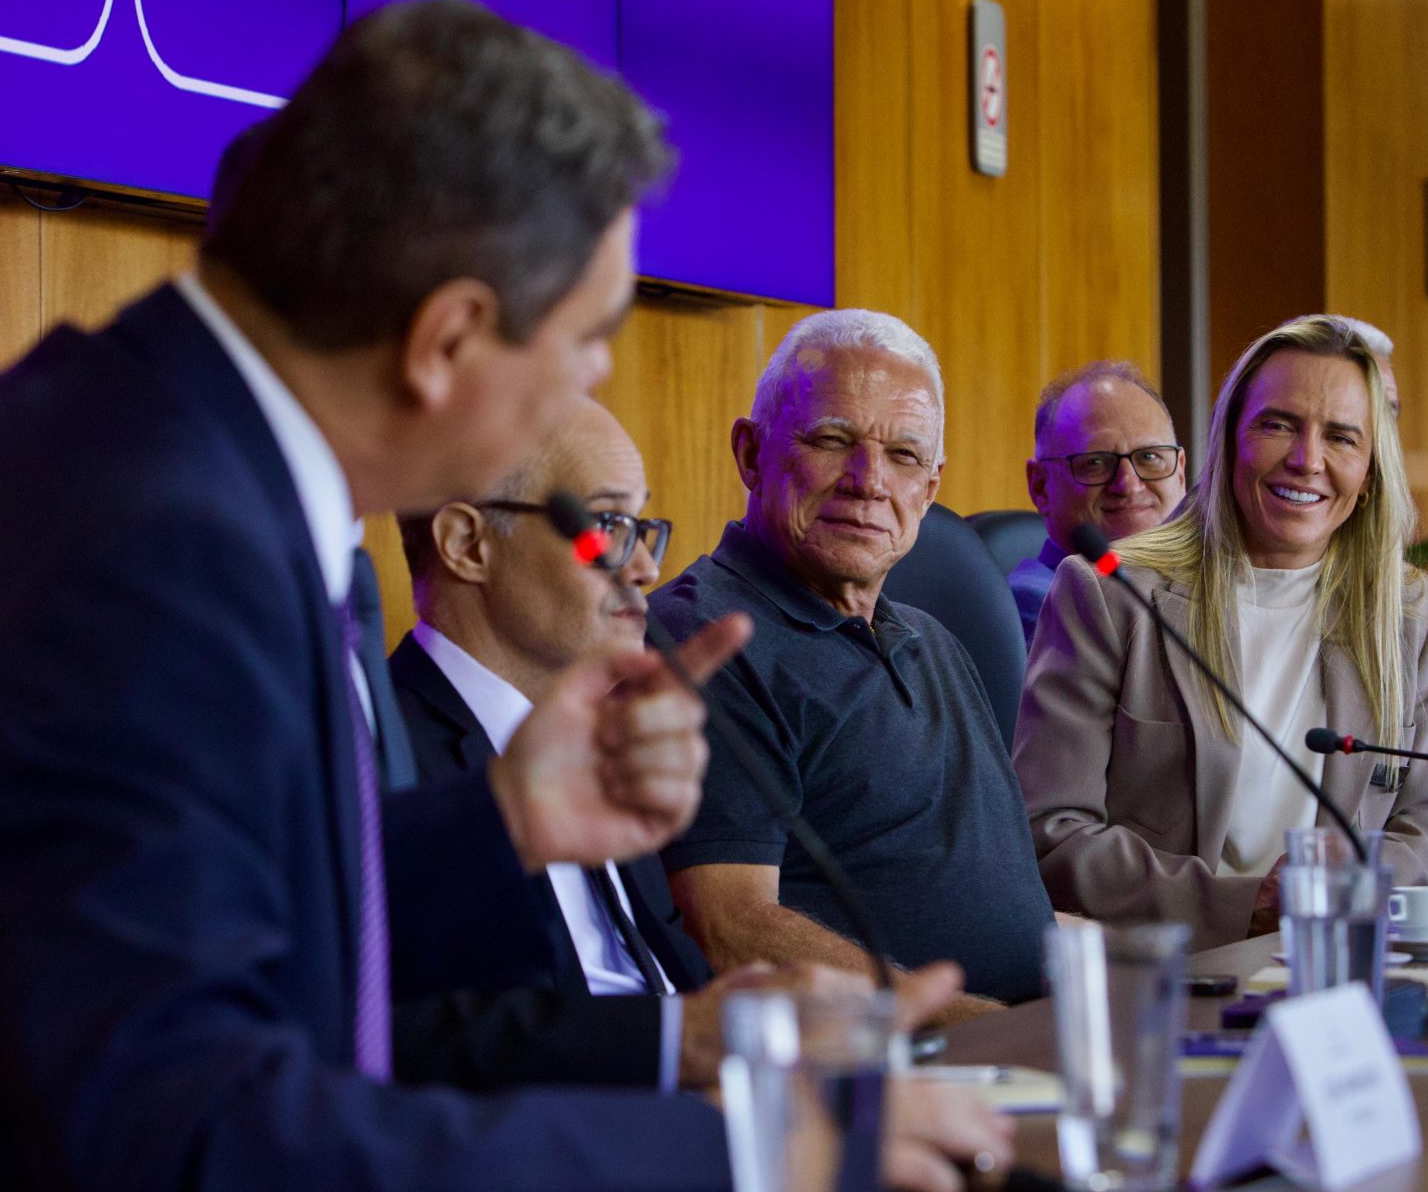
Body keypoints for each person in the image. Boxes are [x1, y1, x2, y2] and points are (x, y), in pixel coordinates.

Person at [0, 1, 1008, 1192]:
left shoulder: (129, 460)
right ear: (447, 338)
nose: (585, 389)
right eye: (582, 344)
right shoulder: (145, 550)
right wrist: (748, 1159)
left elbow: (223, 943)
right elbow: (195, 1148)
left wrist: (497, 828)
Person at [390, 397, 957, 1088]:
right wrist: (690, 1052)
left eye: (642, 530)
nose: (643, 569)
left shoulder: (612, 736)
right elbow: (416, 1048)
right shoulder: (378, 759)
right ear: (468, 544)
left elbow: (674, 985)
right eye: (606, 528)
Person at [1013, 315, 1428, 950]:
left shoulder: (1403, 612)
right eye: (1278, 425)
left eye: (1341, 438)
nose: (1307, 460)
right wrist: (1243, 906)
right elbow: (1049, 832)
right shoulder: (1111, 595)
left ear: (1368, 476)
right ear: (1229, 441)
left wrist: (1362, 882)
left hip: (1347, 954)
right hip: (1175, 970)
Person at [653, 309, 1057, 1018]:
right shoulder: (703, 637)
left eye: (904, 456)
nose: (869, 481)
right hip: (888, 1063)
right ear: (751, 453)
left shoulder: (936, 640)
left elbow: (1008, 911)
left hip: (1027, 1031)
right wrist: (977, 1024)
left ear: (930, 490)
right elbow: (730, 927)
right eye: (834, 440)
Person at [1011, 360, 1187, 643]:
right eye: (1095, 463)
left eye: (1149, 457)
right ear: (1040, 486)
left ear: (1180, 473)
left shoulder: (1204, 587)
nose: (1128, 484)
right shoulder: (1043, 602)